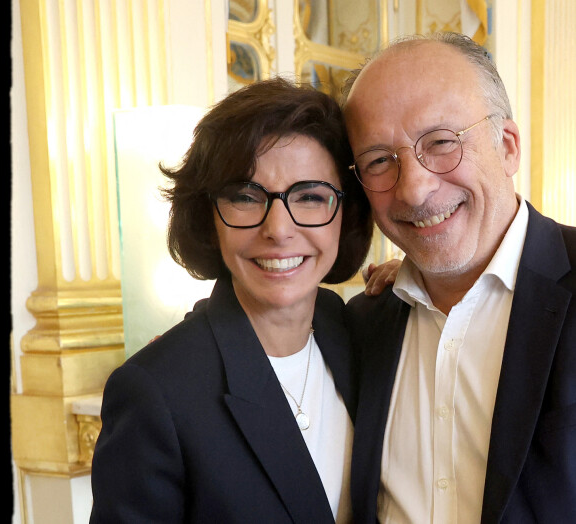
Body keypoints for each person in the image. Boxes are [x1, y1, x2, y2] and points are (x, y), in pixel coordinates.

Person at [89, 77, 375, 523]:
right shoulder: (155, 391)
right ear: (208, 218)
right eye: (245, 196)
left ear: (346, 214)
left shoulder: (361, 334)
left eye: (311, 196)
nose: (279, 229)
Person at [343, 32, 576, 523]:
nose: (416, 188)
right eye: (380, 160)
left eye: (442, 142)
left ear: (508, 147)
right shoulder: (360, 326)